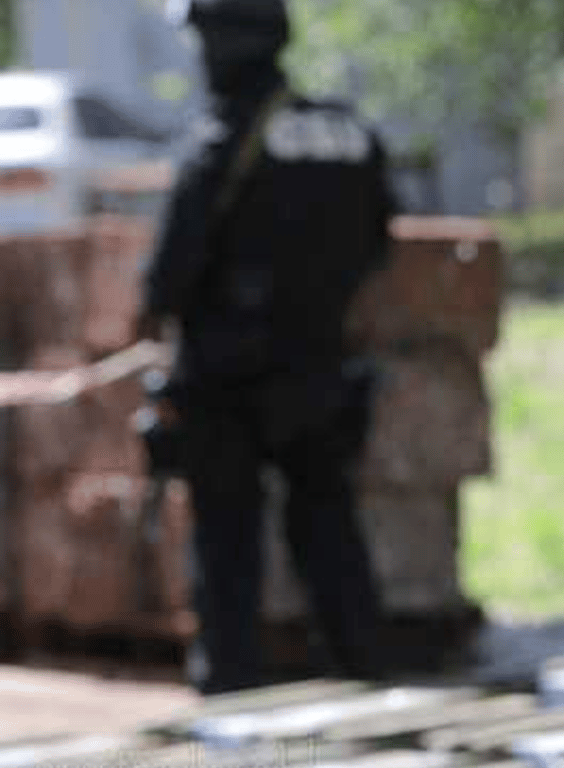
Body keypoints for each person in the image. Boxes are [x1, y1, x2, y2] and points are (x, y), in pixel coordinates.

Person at [137, 0, 394, 694]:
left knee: (227, 543)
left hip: (226, 379)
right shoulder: (347, 132)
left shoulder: (220, 139)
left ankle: (231, 698)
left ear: (226, 42)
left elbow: (166, 279)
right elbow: (377, 242)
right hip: (319, 367)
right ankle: (366, 673)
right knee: (329, 524)